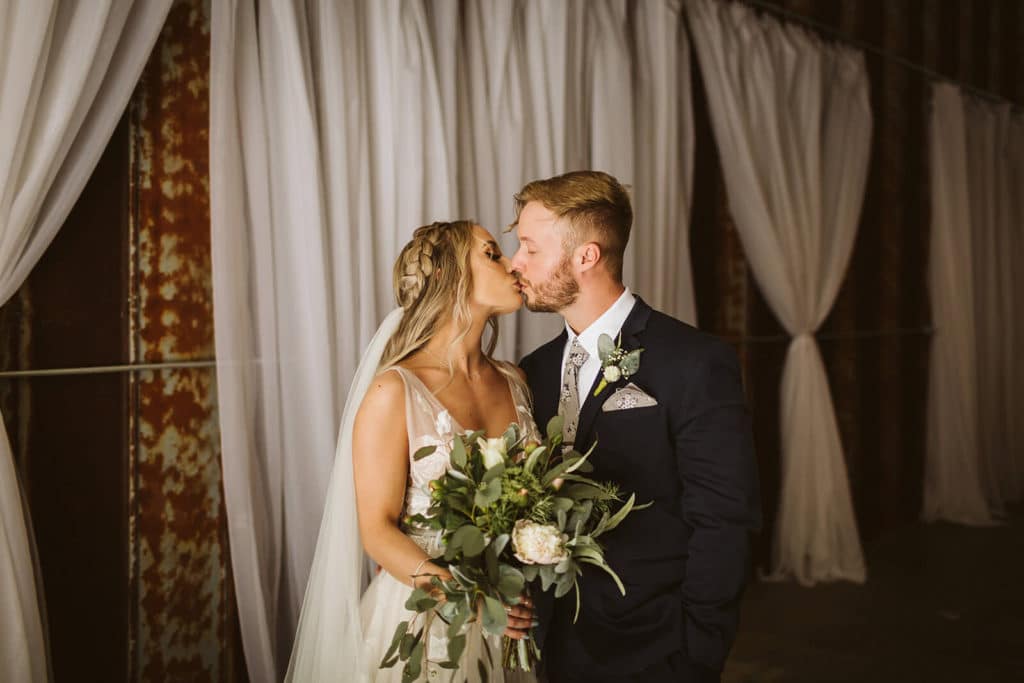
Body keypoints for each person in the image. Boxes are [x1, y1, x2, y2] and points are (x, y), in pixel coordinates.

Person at [510, 171, 762, 683]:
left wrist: (697, 653)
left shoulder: (693, 362)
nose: (516, 263)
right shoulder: (531, 371)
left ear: (586, 256)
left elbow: (724, 519)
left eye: (530, 248)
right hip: (553, 647)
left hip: (656, 650)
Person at [286, 221, 537, 682]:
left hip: (509, 619)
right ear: (445, 276)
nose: (512, 264)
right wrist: (472, 600)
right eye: (492, 254)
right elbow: (377, 532)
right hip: (423, 621)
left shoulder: (514, 381)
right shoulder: (394, 389)